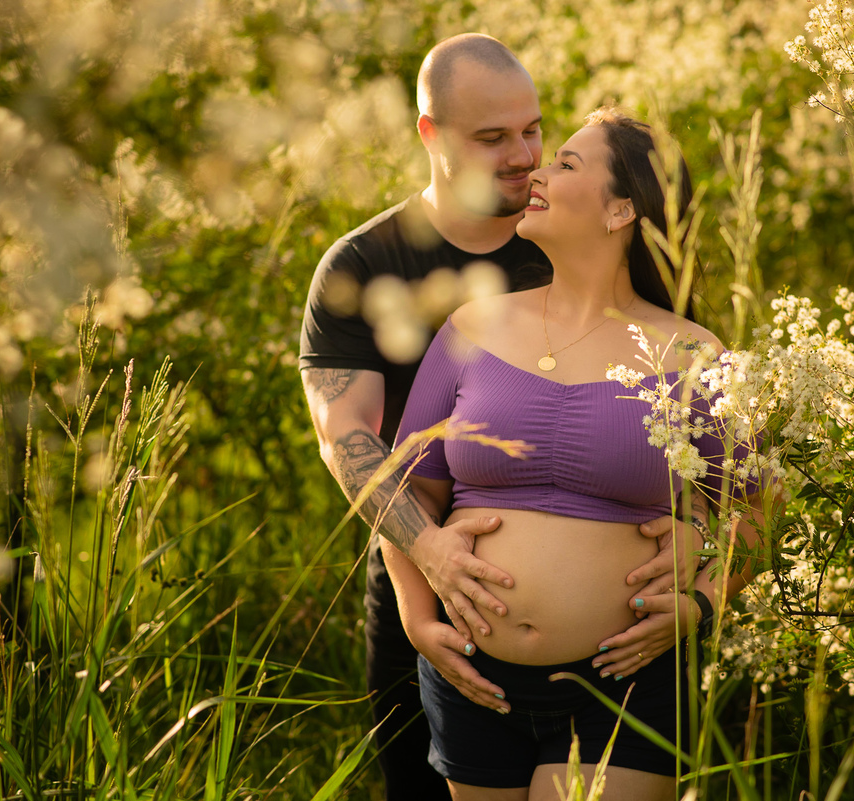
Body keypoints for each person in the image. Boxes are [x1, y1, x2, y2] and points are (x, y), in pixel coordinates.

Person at [299, 36, 705, 800]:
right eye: (493, 138)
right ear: (432, 135)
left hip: (617, 659)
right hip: (433, 607)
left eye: (534, 131)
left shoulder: (567, 240)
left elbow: (712, 461)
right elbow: (349, 439)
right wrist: (432, 572)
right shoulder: (363, 268)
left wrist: (700, 541)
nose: (525, 158)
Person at [383, 108, 770, 801]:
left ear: (623, 207)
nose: (538, 171)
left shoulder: (693, 354)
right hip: (473, 679)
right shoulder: (472, 326)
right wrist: (417, 619)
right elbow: (402, 493)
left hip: (627, 681)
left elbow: (760, 509)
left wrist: (703, 604)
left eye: (565, 164)